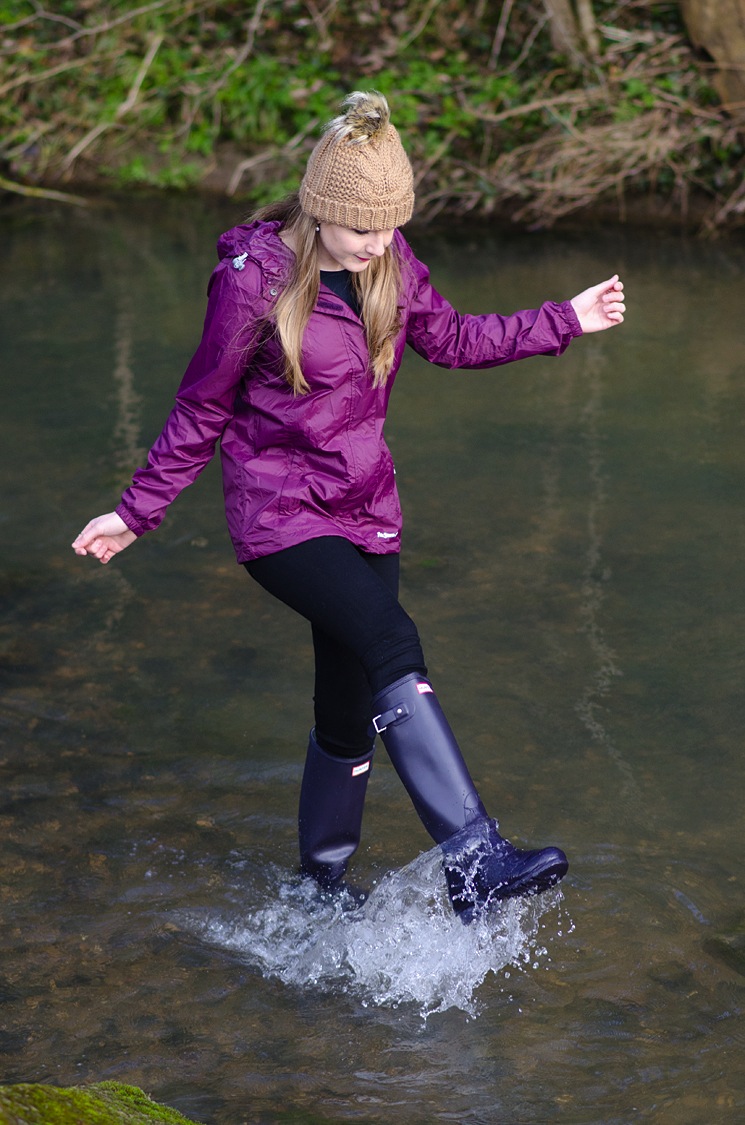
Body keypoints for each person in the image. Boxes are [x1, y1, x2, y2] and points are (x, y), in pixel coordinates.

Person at [72, 91, 625, 922]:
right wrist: (135, 512)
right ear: (321, 210)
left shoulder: (391, 263)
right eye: (361, 229)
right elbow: (200, 410)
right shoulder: (252, 282)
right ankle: (473, 857)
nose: (376, 245)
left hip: (365, 507)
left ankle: (316, 889)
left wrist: (565, 320)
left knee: (347, 707)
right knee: (392, 639)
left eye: (388, 228)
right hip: (279, 516)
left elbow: (454, 339)